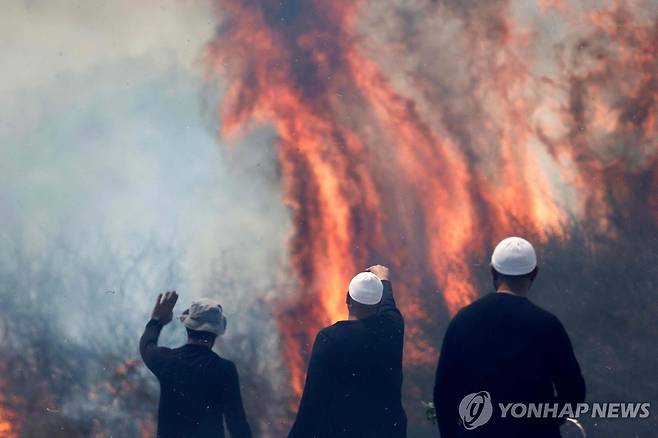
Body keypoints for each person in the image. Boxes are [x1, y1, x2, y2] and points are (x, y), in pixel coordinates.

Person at [433, 237, 586, 438]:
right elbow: (574, 393)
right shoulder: (547, 325)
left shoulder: (462, 321)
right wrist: (544, 421)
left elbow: (443, 393)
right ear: (535, 273)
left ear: (493, 272)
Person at [288, 265, 407, 438]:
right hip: (388, 431)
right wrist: (384, 279)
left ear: (347, 298)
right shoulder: (393, 327)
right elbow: (389, 305)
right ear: (378, 303)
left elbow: (312, 402)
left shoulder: (330, 339)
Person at [140, 291, 252, 438]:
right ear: (215, 334)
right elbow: (237, 424)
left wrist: (156, 321)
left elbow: (146, 346)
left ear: (188, 328)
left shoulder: (167, 361)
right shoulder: (224, 369)